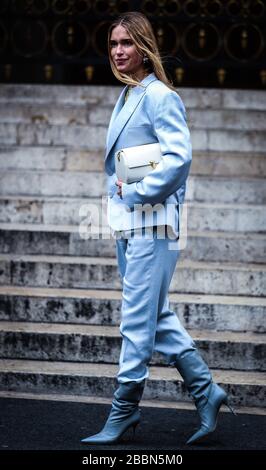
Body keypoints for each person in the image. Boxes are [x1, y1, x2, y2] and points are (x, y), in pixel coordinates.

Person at [81, 11, 235, 446]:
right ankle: (207, 391)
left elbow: (178, 159)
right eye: (113, 44)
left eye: (126, 43)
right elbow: (138, 158)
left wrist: (131, 189)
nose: (117, 51)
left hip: (153, 222)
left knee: (135, 319)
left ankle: (123, 411)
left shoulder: (159, 95)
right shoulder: (129, 94)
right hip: (131, 224)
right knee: (154, 313)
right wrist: (125, 185)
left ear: (144, 47)